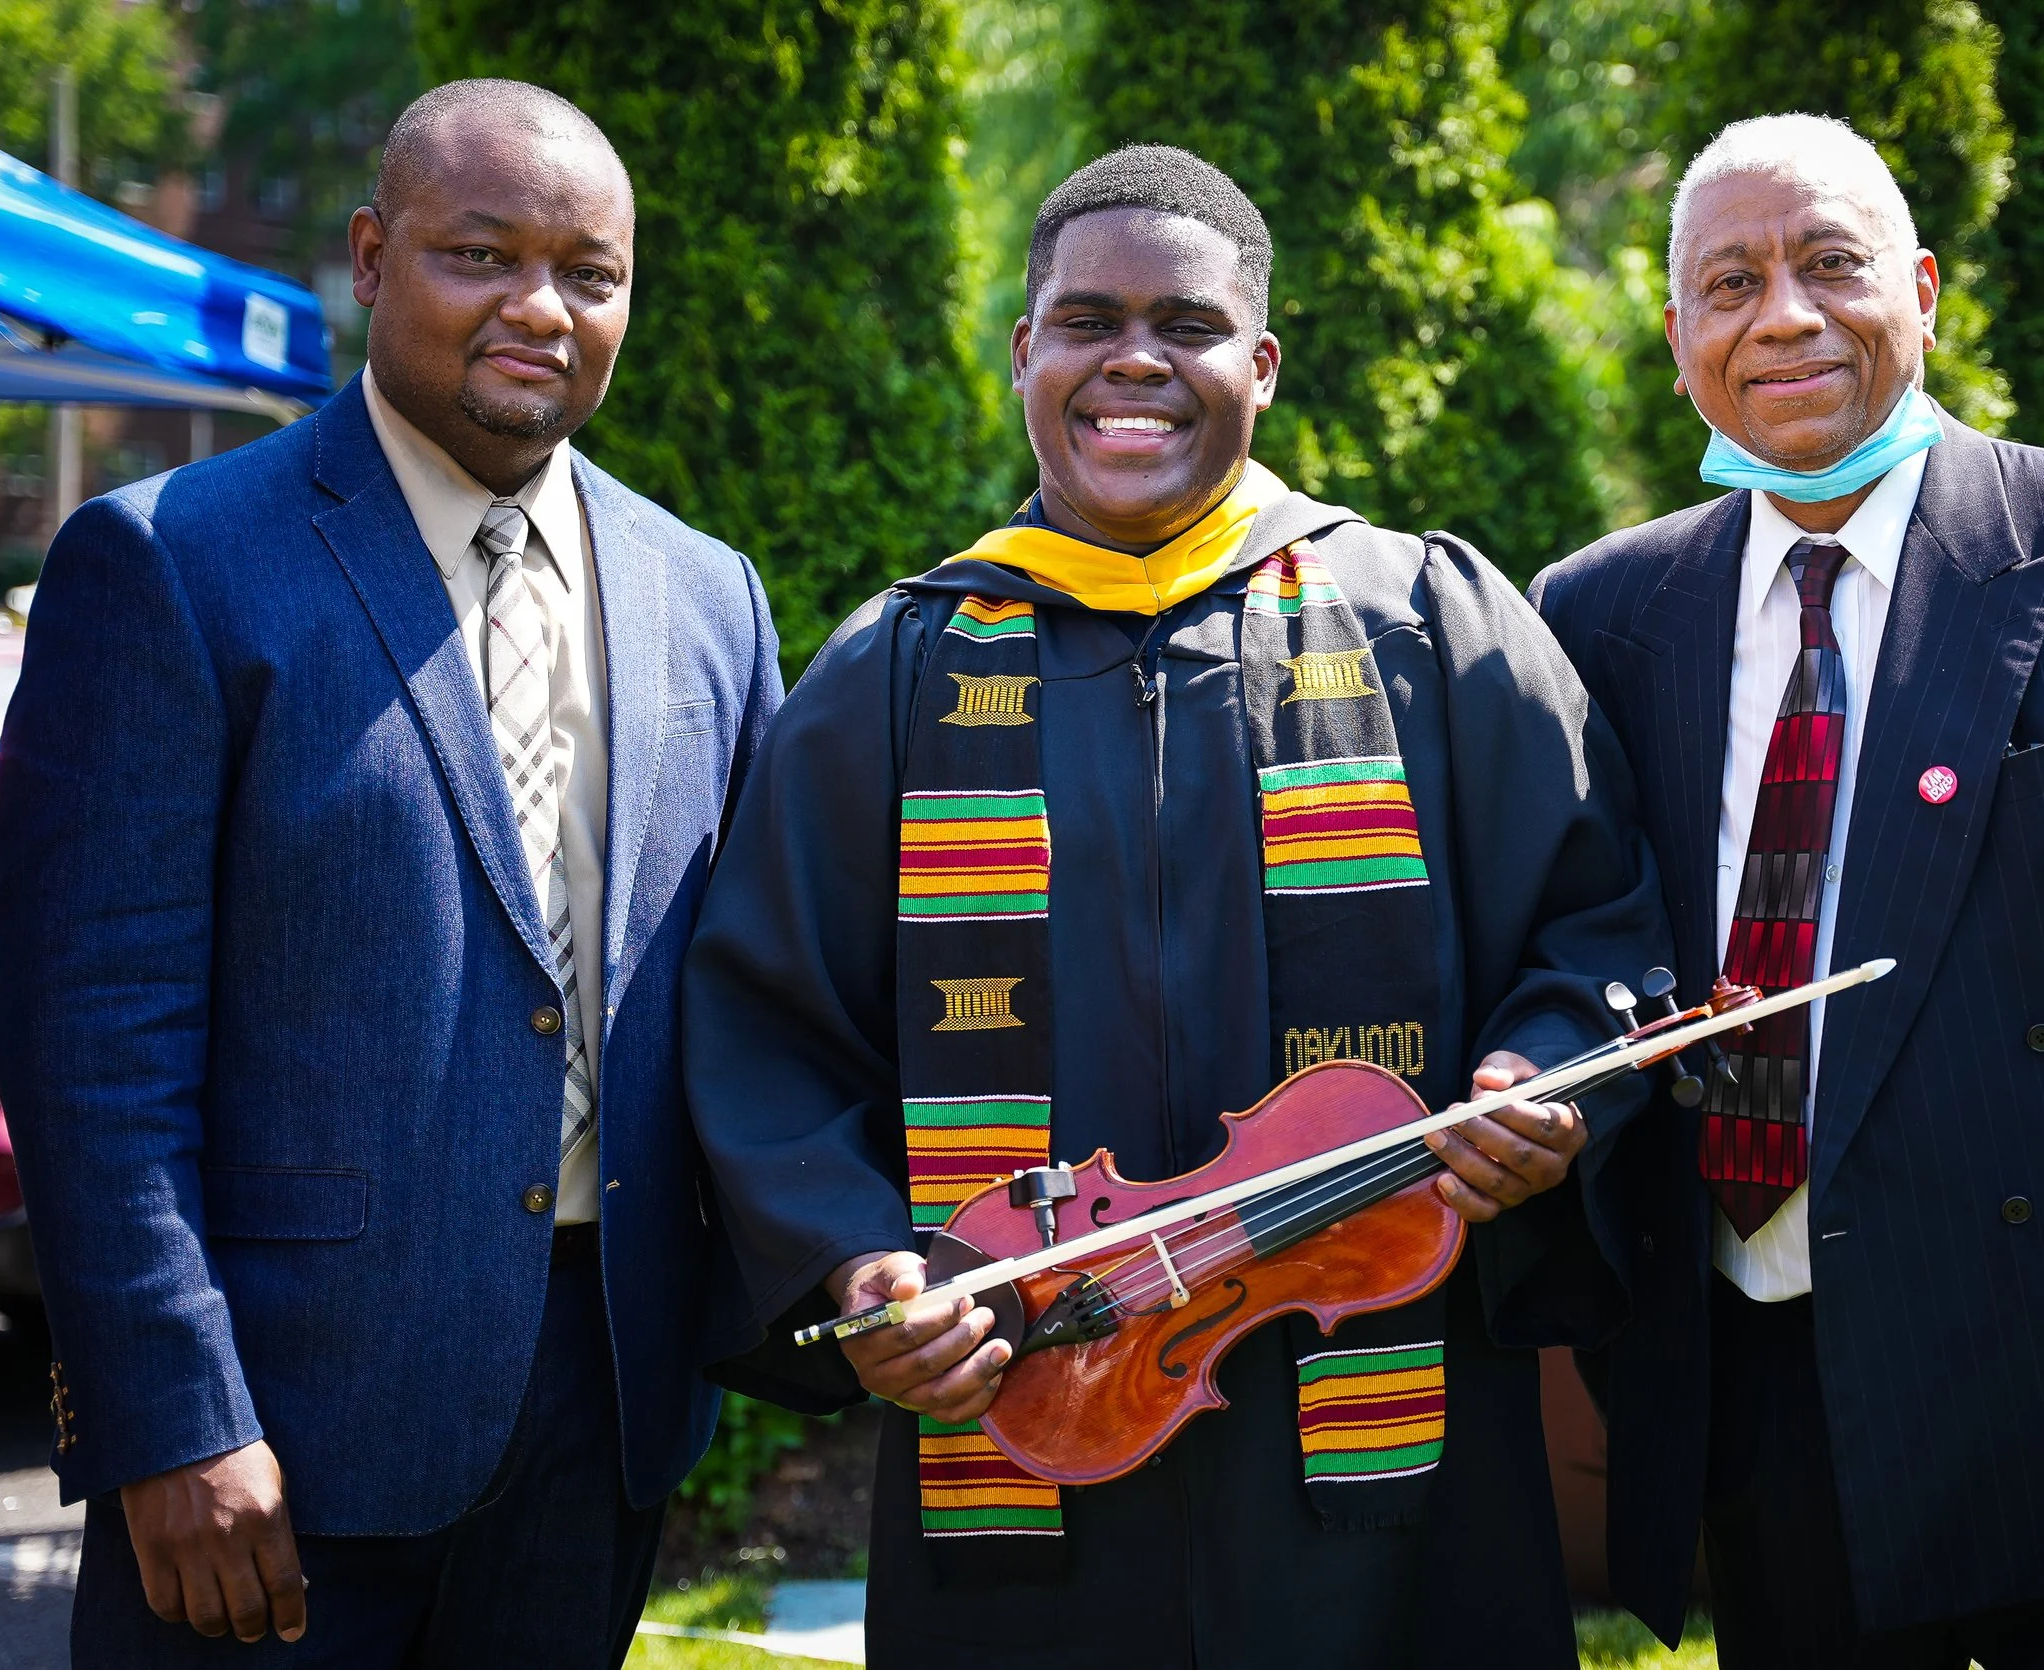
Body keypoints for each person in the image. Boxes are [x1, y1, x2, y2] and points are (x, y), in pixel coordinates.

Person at [682, 143, 1670, 1670]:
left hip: (1377, 1436)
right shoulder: (899, 670)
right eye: (1087, 321)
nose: (1133, 359)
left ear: (1260, 363)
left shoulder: (1426, 621)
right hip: (1023, 1419)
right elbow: (764, 1023)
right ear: (1026, 351)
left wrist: (1538, 1087)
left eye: (1187, 326)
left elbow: (1594, 928)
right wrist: (860, 1260)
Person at [1532, 113, 2044, 1670]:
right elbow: (1578, 956)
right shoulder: (1601, 612)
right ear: (1676, 340)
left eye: (1829, 264)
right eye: (1729, 283)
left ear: (1923, 291)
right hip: (1764, 1405)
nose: (1781, 315)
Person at [0, 79, 781, 1664]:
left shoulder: (709, 596)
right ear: (369, 257)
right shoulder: (174, 563)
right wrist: (170, 1420)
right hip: (271, 1435)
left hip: (596, 1419)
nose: (541, 308)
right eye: (481, 255)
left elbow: (759, 998)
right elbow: (91, 1044)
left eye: (592, 272)